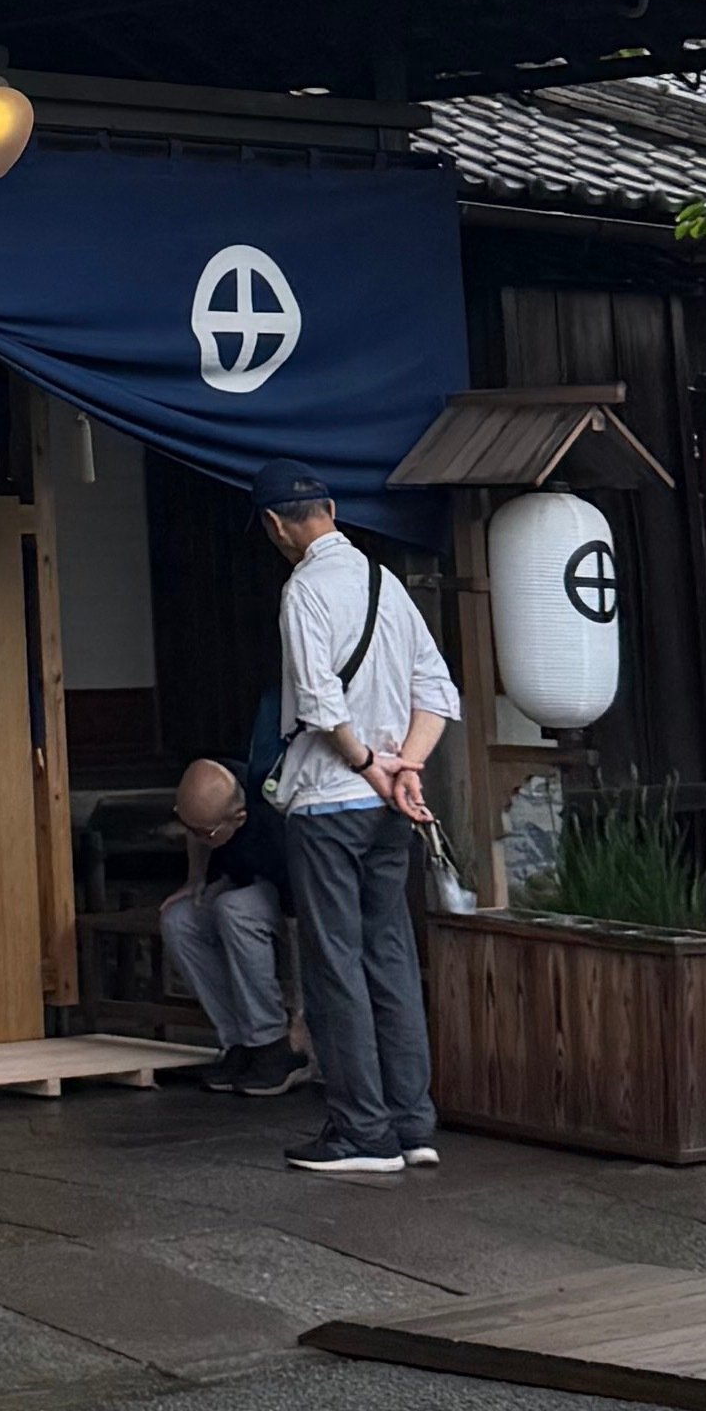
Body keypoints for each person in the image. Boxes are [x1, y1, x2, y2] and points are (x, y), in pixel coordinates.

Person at [258, 461, 456, 1178]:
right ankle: (412, 1124)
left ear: (275, 525)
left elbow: (319, 704)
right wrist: (407, 768)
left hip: (327, 802)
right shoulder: (386, 583)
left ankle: (361, 1131)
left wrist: (372, 764)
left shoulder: (303, 590)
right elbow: (436, 691)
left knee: (335, 964)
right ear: (332, 509)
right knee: (392, 958)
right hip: (386, 811)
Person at [156, 760, 305, 1099]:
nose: (194, 838)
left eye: (203, 833)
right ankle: (238, 1041)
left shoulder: (270, 824)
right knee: (179, 920)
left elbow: (301, 928)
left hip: (289, 901)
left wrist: (302, 1016)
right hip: (240, 883)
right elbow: (198, 827)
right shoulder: (211, 789)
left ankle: (271, 1043)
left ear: (238, 818)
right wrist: (194, 880)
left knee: (234, 910)